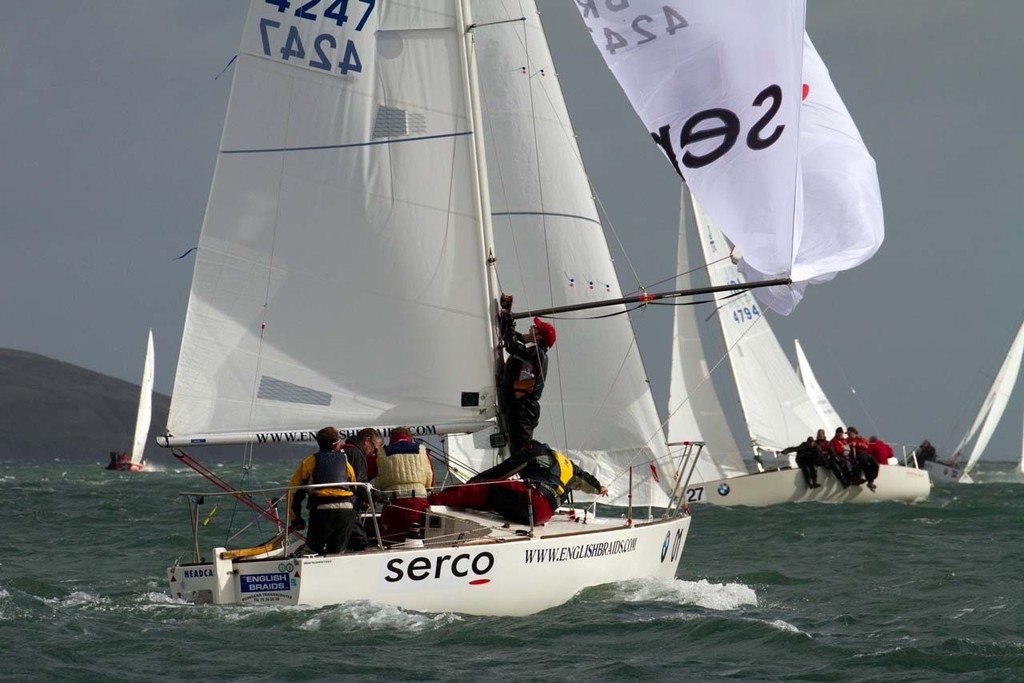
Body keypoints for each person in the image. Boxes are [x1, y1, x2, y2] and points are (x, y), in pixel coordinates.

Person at [427, 440, 607, 526]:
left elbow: (502, 471)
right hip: (544, 515)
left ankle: (433, 500)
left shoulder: (532, 452)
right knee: (496, 500)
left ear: (528, 448)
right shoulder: (566, 463)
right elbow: (586, 479)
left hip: (534, 501)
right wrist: (600, 488)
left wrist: (472, 484)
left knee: (488, 489)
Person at [288, 426, 361, 556]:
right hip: (346, 510)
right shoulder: (345, 462)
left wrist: (296, 519)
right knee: (337, 553)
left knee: (311, 551)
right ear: (336, 444)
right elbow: (354, 488)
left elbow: (294, 492)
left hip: (322, 510)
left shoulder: (310, 461)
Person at [497, 293, 555, 455]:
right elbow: (512, 338)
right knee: (516, 449)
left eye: (535, 328)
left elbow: (512, 346)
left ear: (539, 337)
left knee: (521, 452)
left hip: (523, 408)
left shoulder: (536, 354)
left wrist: (507, 316)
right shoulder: (535, 351)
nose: (531, 326)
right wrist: (506, 322)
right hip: (521, 406)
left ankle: (529, 477)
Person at [375, 427, 434, 544]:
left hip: (394, 504)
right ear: (410, 437)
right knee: (420, 540)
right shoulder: (423, 451)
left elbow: (374, 477)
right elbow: (430, 480)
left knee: (391, 542)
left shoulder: (381, 452)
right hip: (419, 503)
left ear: (391, 438)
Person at [341, 427, 383, 551]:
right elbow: (361, 485)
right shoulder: (357, 454)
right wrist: (380, 497)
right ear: (366, 441)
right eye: (375, 448)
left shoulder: (343, 450)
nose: (374, 453)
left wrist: (361, 501)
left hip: (326, 505)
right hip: (345, 509)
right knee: (363, 545)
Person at [846, 426, 878, 491]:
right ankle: (868, 481)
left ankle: (871, 480)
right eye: (848, 434)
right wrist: (851, 445)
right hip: (856, 455)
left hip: (865, 454)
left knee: (876, 464)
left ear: (854, 433)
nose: (848, 435)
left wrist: (858, 444)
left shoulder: (860, 438)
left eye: (849, 433)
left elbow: (866, 446)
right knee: (865, 463)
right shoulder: (846, 440)